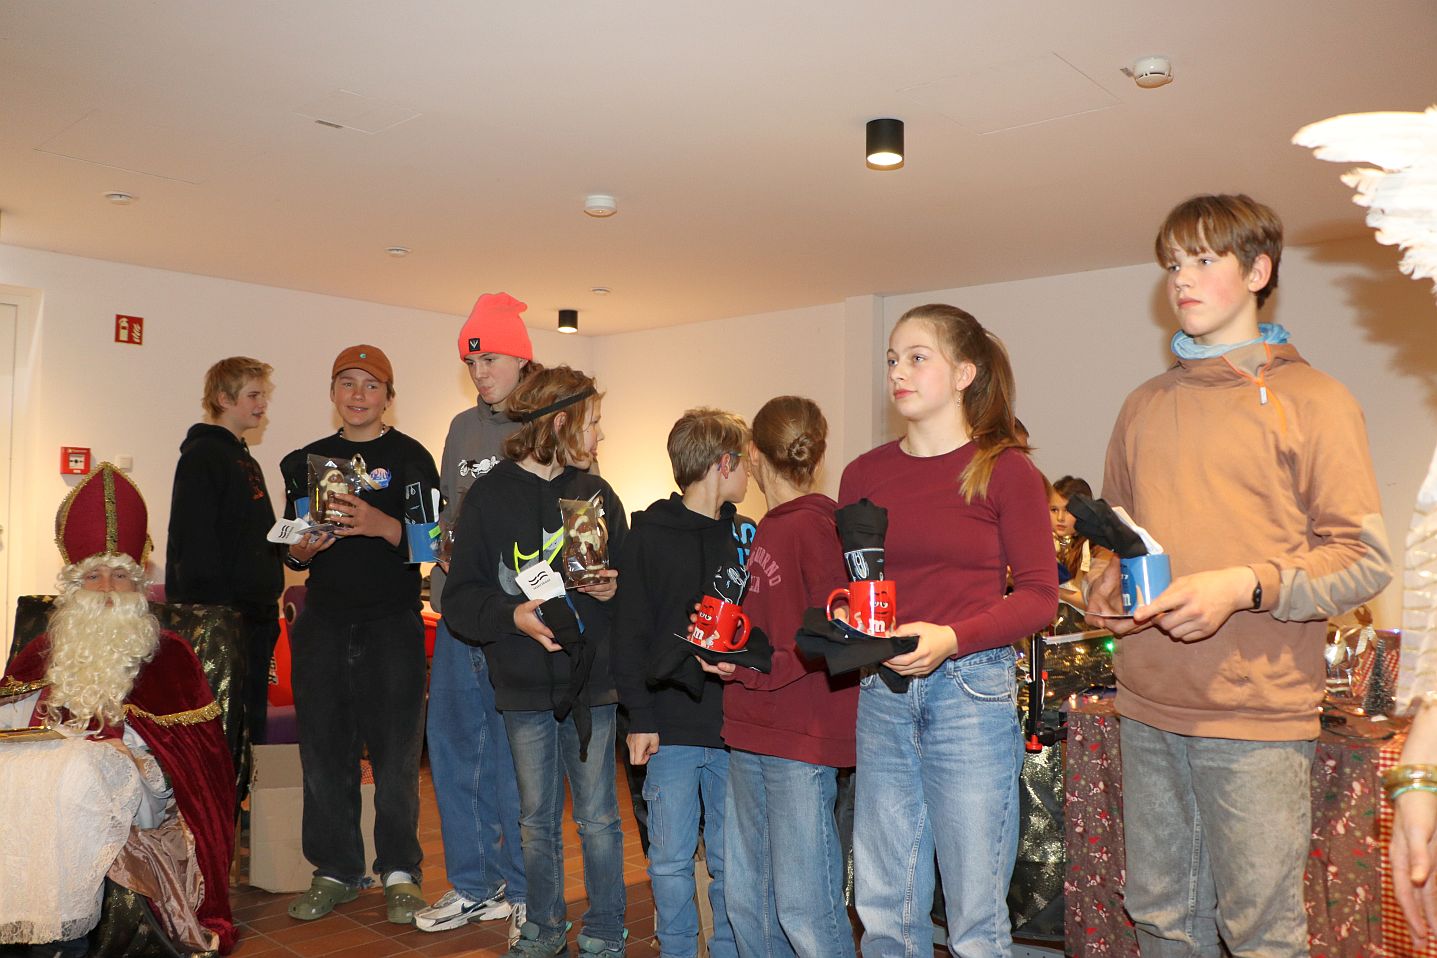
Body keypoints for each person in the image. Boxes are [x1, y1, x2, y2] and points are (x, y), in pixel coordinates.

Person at [1085, 194, 1393, 957]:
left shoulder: (1315, 400)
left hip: (1255, 718)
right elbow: (1119, 542)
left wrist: (1243, 585)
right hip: (1145, 705)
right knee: (1157, 918)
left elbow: (1363, 560)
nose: (1180, 279)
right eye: (1171, 264)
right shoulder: (1141, 405)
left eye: (1202, 259)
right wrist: (1106, 583)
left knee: (1260, 935)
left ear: (1257, 271)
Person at [839, 303, 1057, 958]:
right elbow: (849, 583)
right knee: (884, 908)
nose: (897, 372)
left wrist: (951, 639)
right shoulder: (863, 474)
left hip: (972, 692)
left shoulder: (1006, 470)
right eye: (891, 359)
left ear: (964, 373)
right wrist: (845, 615)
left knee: (974, 919)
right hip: (882, 692)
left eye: (916, 357)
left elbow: (1040, 598)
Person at [0, 463, 236, 955]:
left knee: (79, 770)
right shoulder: (42, 651)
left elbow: (197, 767)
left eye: (121, 576)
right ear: (73, 587)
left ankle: (63, 941)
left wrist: (129, 758)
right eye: (94, 576)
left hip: (140, 797)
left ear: (138, 585)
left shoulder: (169, 655)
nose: (107, 589)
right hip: (44, 790)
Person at [442, 365, 629, 958]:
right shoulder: (489, 497)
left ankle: (606, 928)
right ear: (562, 422)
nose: (601, 435)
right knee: (535, 820)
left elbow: (632, 590)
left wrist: (614, 589)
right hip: (522, 688)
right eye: (594, 422)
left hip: (592, 685)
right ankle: (545, 928)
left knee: (599, 818)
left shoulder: (598, 495)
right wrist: (512, 615)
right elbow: (461, 600)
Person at [279, 345, 440, 925]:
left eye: (371, 385)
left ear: (388, 397)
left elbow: (430, 545)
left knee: (396, 758)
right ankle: (335, 871)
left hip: (392, 623)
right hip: (322, 622)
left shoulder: (412, 457)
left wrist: (378, 524)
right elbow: (292, 551)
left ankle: (400, 873)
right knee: (324, 755)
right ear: (332, 392)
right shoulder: (303, 462)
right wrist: (301, 549)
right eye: (346, 383)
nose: (357, 395)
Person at [699, 396, 857, 958]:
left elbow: (835, 632)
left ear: (754, 455)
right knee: (749, 901)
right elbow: (769, 627)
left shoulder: (817, 526)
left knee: (804, 908)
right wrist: (727, 647)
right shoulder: (768, 526)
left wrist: (759, 667)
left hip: (798, 736)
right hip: (751, 727)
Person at [612, 408, 753, 958]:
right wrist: (640, 718)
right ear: (724, 464)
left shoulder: (744, 538)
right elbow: (628, 637)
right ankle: (675, 948)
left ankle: (728, 949)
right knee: (669, 858)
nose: (750, 473)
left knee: (729, 860)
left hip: (732, 728)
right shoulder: (646, 538)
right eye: (744, 462)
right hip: (667, 728)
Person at [416, 293, 535, 940]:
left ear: (521, 357)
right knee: (456, 751)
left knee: (517, 763)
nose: (479, 372)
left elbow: (569, 525)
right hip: (458, 613)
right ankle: (474, 885)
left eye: (489, 359)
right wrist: (440, 549)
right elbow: (447, 511)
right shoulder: (461, 428)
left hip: (515, 620)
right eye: (471, 362)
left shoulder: (548, 424)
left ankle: (527, 892)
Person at [165, 356, 284, 747]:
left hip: (253, 616)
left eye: (263, 395)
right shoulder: (203, 456)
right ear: (223, 399)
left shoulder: (242, 457)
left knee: (248, 729)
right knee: (225, 732)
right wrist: (219, 618)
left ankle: (242, 789)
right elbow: (194, 542)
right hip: (225, 621)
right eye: (253, 395)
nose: (262, 404)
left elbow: (248, 538)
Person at [1048, 475, 1098, 613]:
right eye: (1054, 510)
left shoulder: (1094, 547)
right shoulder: (1045, 543)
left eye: (1068, 510)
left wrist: (1052, 590)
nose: (1060, 518)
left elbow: (1093, 603)